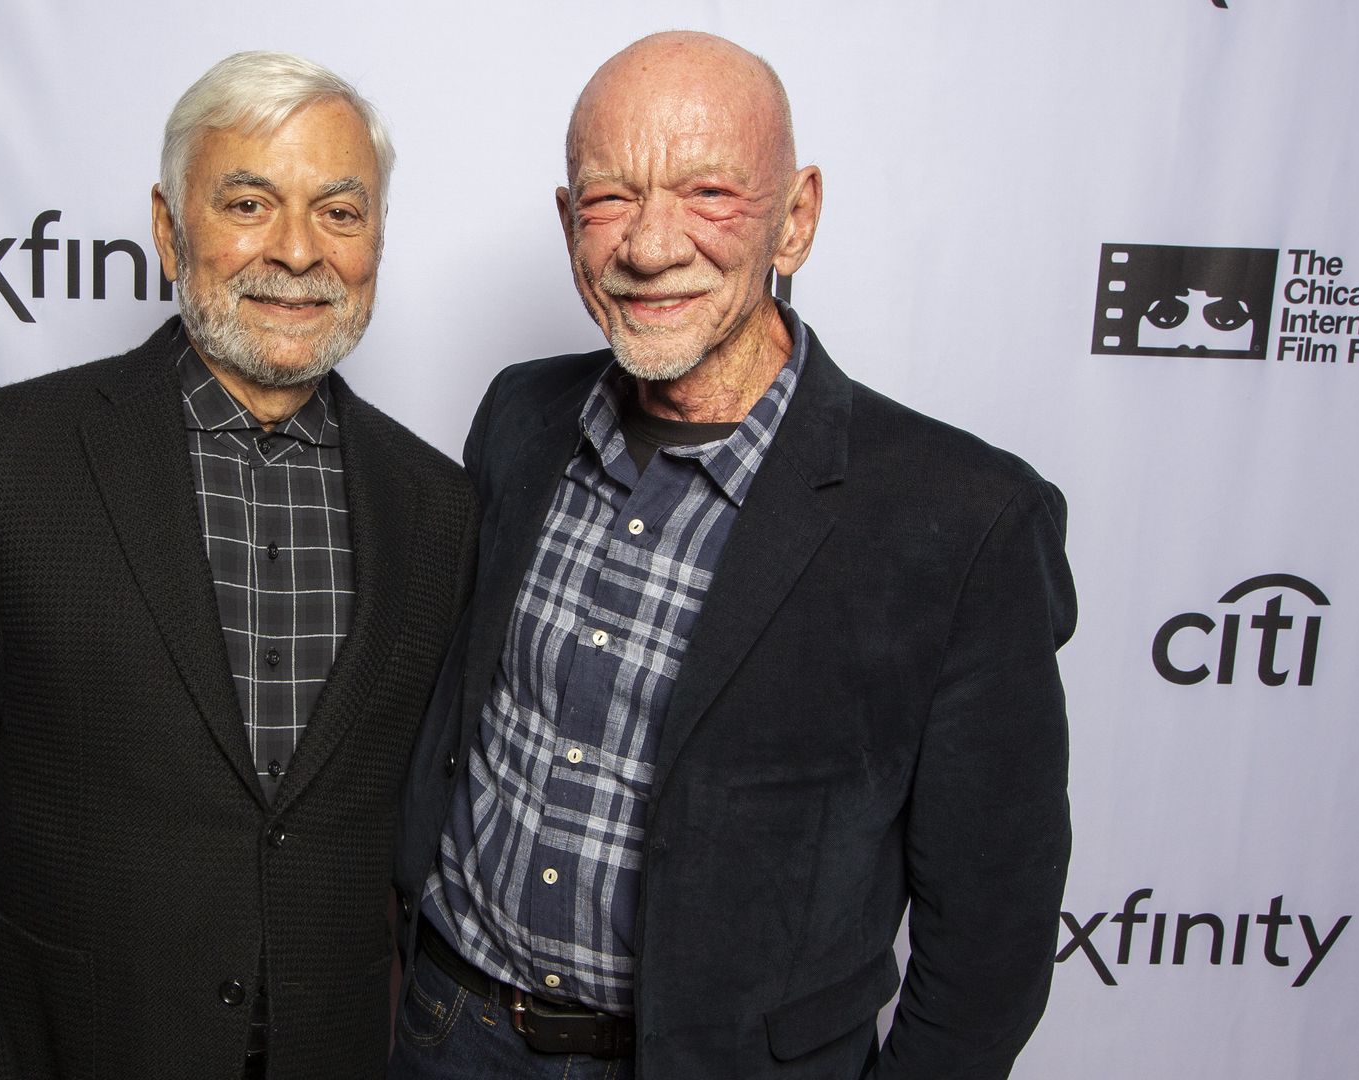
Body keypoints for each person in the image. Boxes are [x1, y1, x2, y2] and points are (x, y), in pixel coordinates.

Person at [391, 31, 1074, 1080]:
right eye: (612, 198)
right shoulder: (521, 415)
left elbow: (991, 933)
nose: (652, 245)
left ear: (794, 219)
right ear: (570, 224)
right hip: (446, 1032)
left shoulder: (966, 520)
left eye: (708, 191)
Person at [0, 51, 474, 1080]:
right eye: (248, 201)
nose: (296, 251)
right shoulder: (11, 458)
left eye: (339, 211)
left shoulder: (436, 503)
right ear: (168, 226)